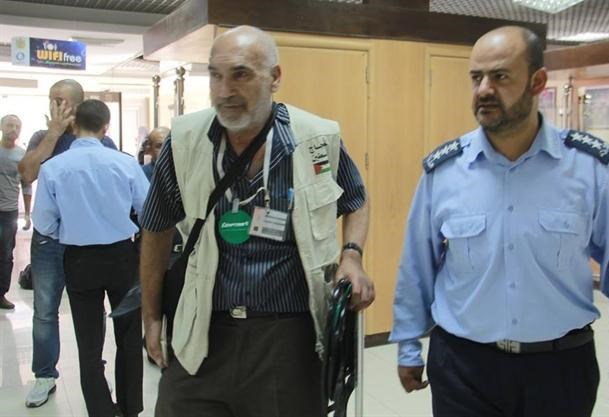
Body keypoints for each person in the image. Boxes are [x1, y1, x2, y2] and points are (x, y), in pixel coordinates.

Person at [390, 26, 609, 417]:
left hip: (560, 368)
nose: (484, 89)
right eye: (476, 78)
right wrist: (408, 344)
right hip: (463, 369)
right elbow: (417, 264)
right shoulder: (445, 171)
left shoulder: (587, 168)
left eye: (500, 76)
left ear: (537, 82)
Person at [140, 25, 375, 417]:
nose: (224, 91)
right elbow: (156, 228)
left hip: (288, 339)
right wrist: (150, 316)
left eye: (241, 75)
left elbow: (357, 200)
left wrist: (352, 255)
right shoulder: (185, 140)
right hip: (202, 331)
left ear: (275, 78)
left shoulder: (315, 139)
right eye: (215, 75)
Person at [32, 99, 147, 417]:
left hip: (79, 259)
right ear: (106, 127)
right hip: (122, 257)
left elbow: (43, 222)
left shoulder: (54, 168)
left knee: (89, 343)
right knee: (128, 335)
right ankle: (130, 409)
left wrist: (69, 229)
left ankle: (100, 411)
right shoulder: (125, 164)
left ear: (73, 126)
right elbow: (148, 208)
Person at [19, 79, 118, 408]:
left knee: (92, 309)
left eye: (59, 99)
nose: (53, 105)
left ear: (76, 104)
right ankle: (44, 375)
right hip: (49, 240)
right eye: (51, 99)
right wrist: (53, 134)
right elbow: (26, 174)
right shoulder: (41, 137)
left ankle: (95, 372)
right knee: (45, 309)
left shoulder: (100, 139)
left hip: (87, 240)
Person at [0, 114, 32, 309]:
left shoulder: (22, 155)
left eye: (17, 126)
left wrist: (27, 214)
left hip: (9, 212)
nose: (13, 129)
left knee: (5, 255)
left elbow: (26, 185)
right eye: (10, 125)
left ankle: (1, 294)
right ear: (1, 127)